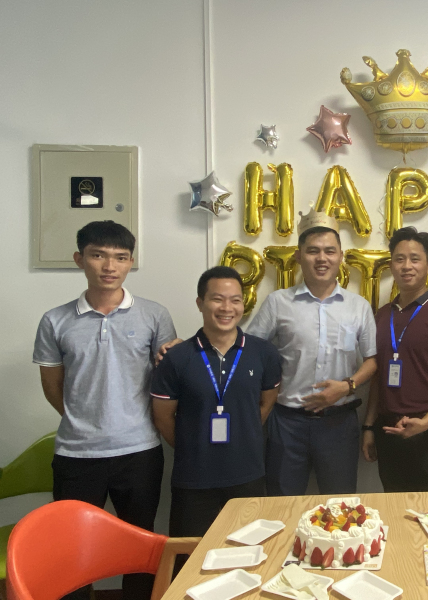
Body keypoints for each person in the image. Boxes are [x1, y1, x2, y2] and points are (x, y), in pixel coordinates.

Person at [33, 221, 176, 600]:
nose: (110, 266)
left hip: (139, 451)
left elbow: (166, 381)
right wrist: (86, 419)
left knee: (140, 546)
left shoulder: (154, 315)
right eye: (98, 255)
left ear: (130, 262)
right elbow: (53, 387)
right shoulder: (55, 320)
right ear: (80, 259)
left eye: (120, 257)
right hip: (77, 455)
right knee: (72, 548)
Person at [247, 211, 377, 496]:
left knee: (341, 505)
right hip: (287, 424)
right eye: (313, 251)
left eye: (330, 251)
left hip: (339, 424)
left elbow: (372, 360)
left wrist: (347, 386)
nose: (322, 258)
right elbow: (246, 351)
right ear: (298, 256)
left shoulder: (358, 306)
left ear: (340, 256)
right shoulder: (278, 303)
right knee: (281, 504)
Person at [150, 266, 281, 538]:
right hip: (194, 478)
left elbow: (265, 404)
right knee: (192, 554)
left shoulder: (264, 353)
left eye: (235, 300)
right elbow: (163, 417)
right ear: (200, 303)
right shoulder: (177, 357)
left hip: (247, 475)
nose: (227, 308)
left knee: (249, 550)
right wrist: (193, 443)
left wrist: (243, 434)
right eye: (217, 299)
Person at [361, 227, 428, 492]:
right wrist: (369, 426)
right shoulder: (382, 315)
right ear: (391, 265)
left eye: (415, 259)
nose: (406, 266)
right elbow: (378, 377)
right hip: (388, 429)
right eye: (399, 259)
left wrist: (427, 422)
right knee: (393, 508)